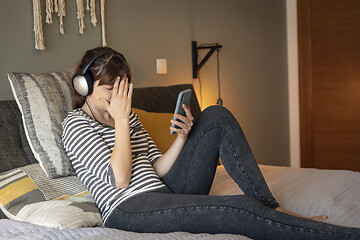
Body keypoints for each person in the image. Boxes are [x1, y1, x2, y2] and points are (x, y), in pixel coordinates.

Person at [62, 46, 360, 240]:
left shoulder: (129, 118)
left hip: (166, 191)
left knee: (215, 115)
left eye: (122, 87)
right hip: (128, 207)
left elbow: (158, 169)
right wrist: (122, 120)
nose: (116, 95)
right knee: (239, 208)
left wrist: (181, 139)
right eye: (108, 88)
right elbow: (121, 179)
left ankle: (272, 208)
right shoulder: (76, 124)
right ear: (84, 86)